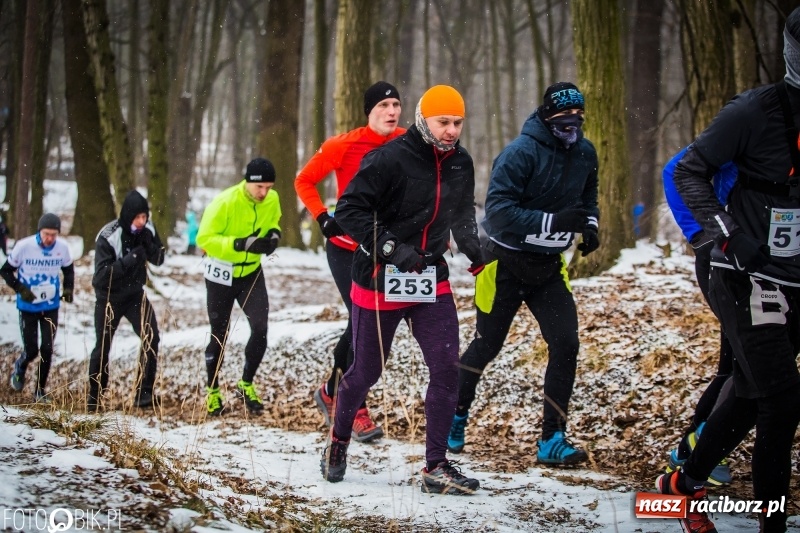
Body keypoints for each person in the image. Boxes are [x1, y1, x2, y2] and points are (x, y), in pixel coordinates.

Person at [659, 9, 800, 533]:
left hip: (792, 272)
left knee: (748, 388)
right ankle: (771, 524)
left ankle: (682, 486)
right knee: (781, 400)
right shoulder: (752, 112)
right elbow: (681, 171)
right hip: (739, 270)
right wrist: (716, 234)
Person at [320, 85, 485, 495]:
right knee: (366, 371)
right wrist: (393, 248)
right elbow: (349, 211)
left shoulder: (461, 162)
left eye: (457, 123)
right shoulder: (389, 158)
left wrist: (475, 252)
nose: (451, 131)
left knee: (447, 369)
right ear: (423, 119)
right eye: (442, 122)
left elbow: (463, 211)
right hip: (379, 277)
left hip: (430, 277)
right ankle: (338, 440)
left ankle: (436, 465)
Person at [447, 82, 598, 466]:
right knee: (486, 347)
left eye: (577, 122)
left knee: (566, 343)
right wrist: (553, 219)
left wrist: (591, 226)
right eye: (563, 123)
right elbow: (497, 213)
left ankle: (552, 438)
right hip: (505, 264)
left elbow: (588, 198)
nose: (571, 130)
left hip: (548, 268)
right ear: (547, 118)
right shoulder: (519, 153)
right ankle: (454, 416)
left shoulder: (585, 152)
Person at [295, 81, 405, 442]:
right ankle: (352, 405)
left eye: (396, 105)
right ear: (369, 111)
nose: (392, 112)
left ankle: (331, 390)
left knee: (367, 323)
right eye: (384, 106)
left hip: (384, 247)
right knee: (364, 322)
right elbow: (304, 180)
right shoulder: (344, 145)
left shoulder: (407, 142)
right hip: (346, 247)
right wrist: (322, 217)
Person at [662, 146, 737, 487]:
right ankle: (701, 448)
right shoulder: (752, 123)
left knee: (737, 364)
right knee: (747, 365)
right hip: (723, 255)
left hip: (770, 260)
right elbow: (673, 170)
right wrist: (700, 234)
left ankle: (693, 446)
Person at [196, 157, 282, 416]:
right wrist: (239, 244)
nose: (264, 193)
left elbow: (274, 223)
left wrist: (274, 238)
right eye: (259, 188)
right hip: (221, 275)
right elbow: (204, 239)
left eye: (269, 187)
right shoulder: (224, 202)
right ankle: (213, 390)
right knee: (219, 334)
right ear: (247, 182)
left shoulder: (272, 199)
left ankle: (245, 384)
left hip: (251, 274)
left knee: (260, 328)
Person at [88, 190, 165, 412]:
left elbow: (159, 258)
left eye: (145, 217)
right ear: (127, 216)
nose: (141, 222)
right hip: (109, 297)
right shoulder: (108, 236)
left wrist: (149, 247)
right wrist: (130, 259)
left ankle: (144, 393)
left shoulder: (147, 229)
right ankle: (94, 397)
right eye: (137, 218)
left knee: (151, 337)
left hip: (134, 295)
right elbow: (101, 276)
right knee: (102, 346)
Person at [1, 213, 73, 403]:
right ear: (39, 231)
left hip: (50, 305)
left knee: (47, 349)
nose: (49, 238)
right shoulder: (24, 246)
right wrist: (20, 289)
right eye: (46, 234)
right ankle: (20, 367)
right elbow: (5, 270)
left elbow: (68, 269)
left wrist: (68, 289)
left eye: (53, 235)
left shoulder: (62, 248)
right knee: (32, 350)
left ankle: (40, 391)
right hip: (28, 306)